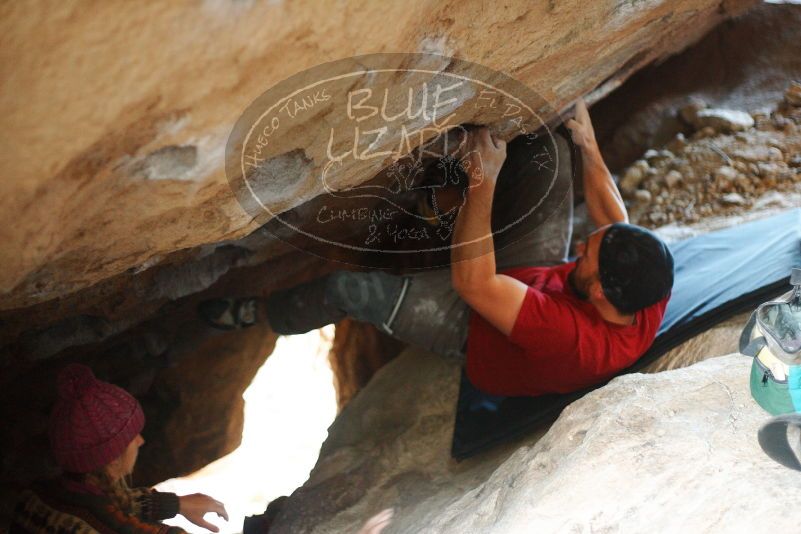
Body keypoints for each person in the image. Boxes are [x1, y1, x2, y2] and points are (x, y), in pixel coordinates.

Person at [199, 98, 674, 398]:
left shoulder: (573, 340)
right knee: (550, 155)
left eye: (587, 254)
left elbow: (475, 285)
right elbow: (616, 221)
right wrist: (587, 145)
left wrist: (481, 178)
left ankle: (262, 314)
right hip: (534, 278)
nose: (582, 240)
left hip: (476, 325)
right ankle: (445, 207)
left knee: (350, 289)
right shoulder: (646, 287)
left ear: (598, 293)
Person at [10, 363, 228, 534]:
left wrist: (176, 504)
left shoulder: (35, 497)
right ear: (112, 458)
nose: (141, 441)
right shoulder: (96, 527)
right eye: (132, 437)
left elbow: (111, 503)